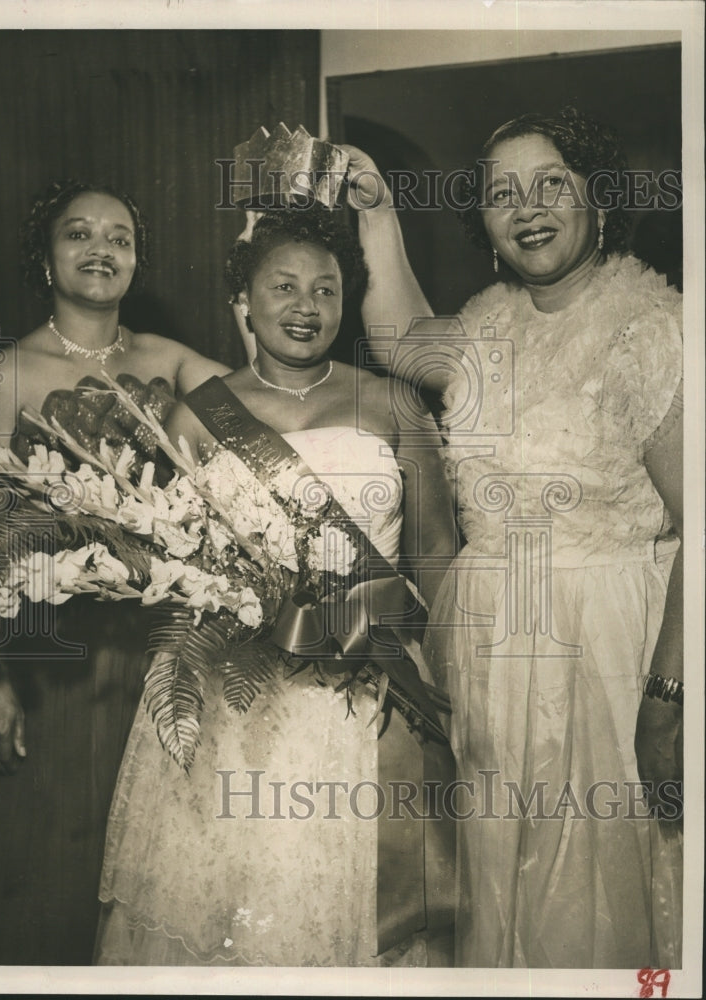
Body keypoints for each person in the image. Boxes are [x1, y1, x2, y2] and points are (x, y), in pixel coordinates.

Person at [340, 106, 683, 969]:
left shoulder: (658, 327)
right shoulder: (483, 326)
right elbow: (398, 341)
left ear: (597, 198)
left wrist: (668, 696)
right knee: (502, 884)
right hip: (490, 652)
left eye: (550, 183)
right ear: (486, 227)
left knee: (597, 889)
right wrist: (377, 211)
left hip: (608, 653)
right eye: (500, 194)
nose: (526, 207)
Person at [94, 206, 458, 966]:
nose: (305, 307)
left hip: (366, 697)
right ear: (245, 301)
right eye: (283, 287)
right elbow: (174, 562)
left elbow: (437, 559)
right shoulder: (197, 417)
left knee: (362, 917)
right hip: (235, 702)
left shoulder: (391, 404)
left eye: (325, 290)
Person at [0, 180, 230, 964]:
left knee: (155, 866)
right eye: (78, 234)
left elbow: (272, 398)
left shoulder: (168, 360)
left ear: (137, 259)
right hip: (54, 655)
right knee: (55, 861)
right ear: (46, 259)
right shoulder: (11, 372)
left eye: (119, 237)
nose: (100, 249)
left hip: (159, 647)